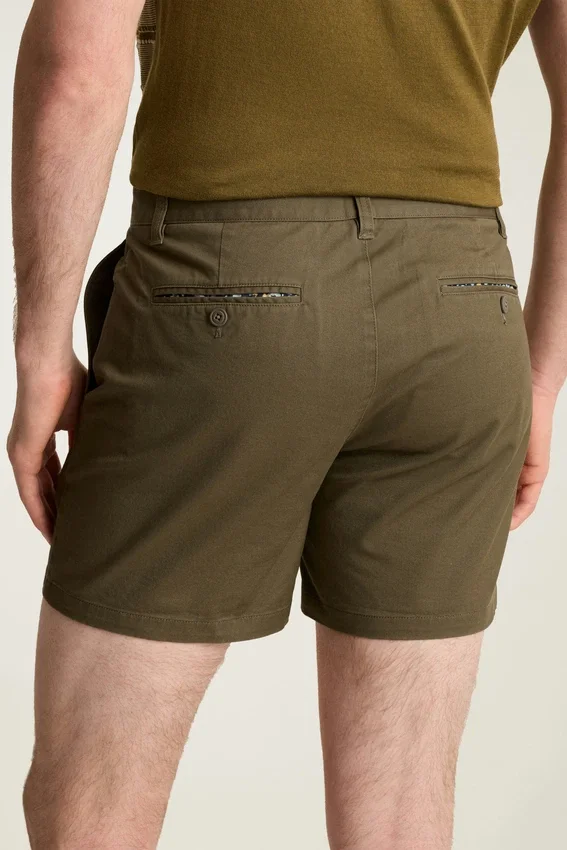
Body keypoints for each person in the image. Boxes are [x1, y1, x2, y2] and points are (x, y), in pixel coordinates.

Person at [8, 0, 566, 847]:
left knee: (93, 794)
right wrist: (539, 374)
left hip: (221, 289)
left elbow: (74, 70)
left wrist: (41, 351)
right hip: (461, 309)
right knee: (400, 813)